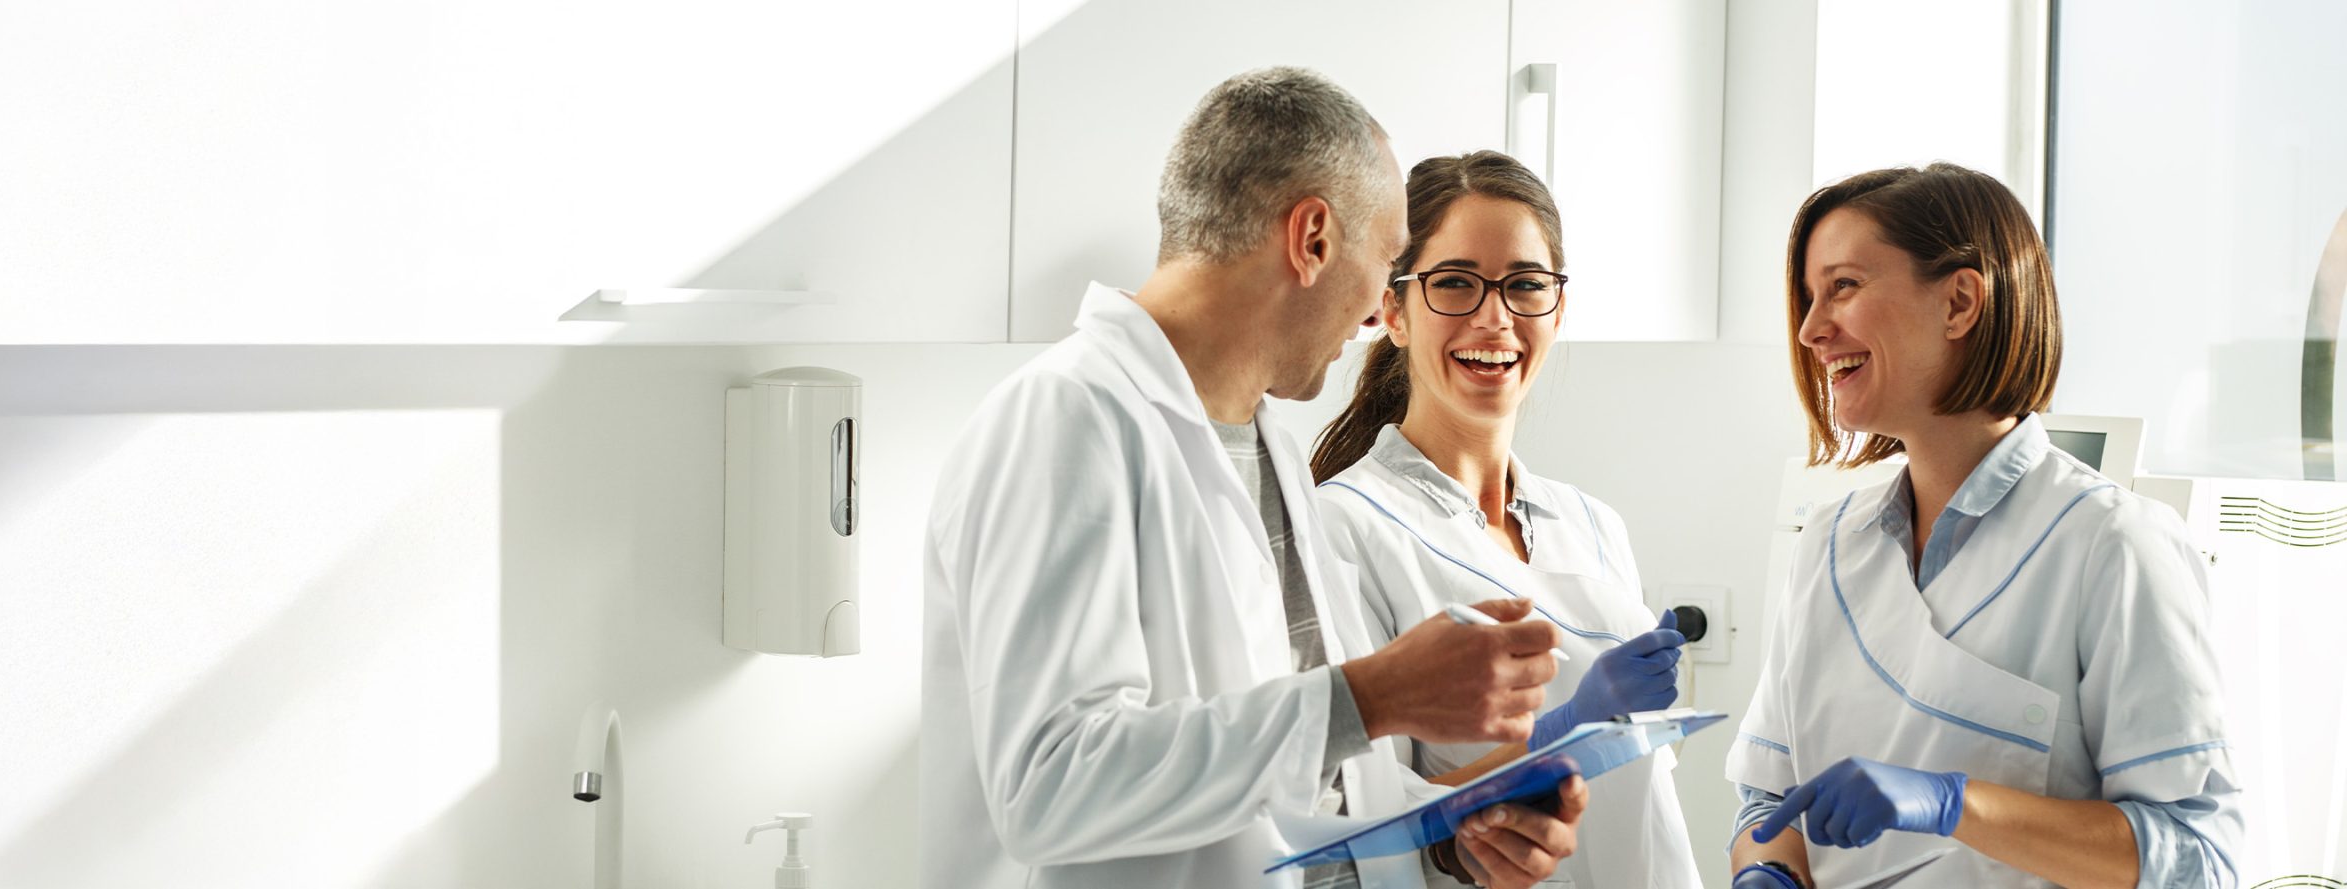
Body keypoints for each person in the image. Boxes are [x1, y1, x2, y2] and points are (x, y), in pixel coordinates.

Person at [920, 68, 1587, 889]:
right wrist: (1373, 696)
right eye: (1384, 260)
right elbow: (1048, 784)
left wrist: (1449, 826)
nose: (1384, 310)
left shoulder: (1265, 441)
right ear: (1311, 238)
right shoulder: (1062, 420)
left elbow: (1288, 772)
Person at [1725, 163, 2242, 888]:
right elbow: (1767, 798)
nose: (1812, 329)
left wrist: (1955, 804)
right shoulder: (1829, 547)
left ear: (1961, 301)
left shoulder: (2111, 546)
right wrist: (1767, 872)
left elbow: (2199, 856)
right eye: (1810, 298)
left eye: (1842, 285)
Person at [1308, 149, 1703, 889]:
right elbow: (1359, 832)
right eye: (1455, 282)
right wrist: (1569, 728)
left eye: (1525, 285)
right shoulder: (1346, 528)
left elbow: (1641, 796)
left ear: (1558, 306)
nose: (1496, 317)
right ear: (1393, 309)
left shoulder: (1592, 524)